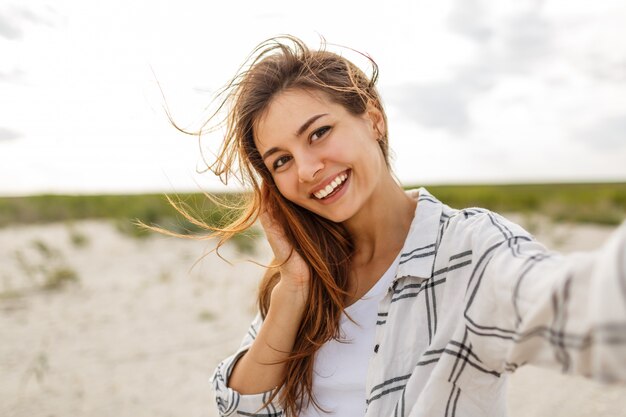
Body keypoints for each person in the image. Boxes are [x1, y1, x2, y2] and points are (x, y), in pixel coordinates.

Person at [196, 36, 626, 416]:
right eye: (282, 161)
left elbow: (595, 312)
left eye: (319, 132)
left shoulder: (470, 252)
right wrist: (293, 288)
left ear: (373, 117)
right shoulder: (307, 274)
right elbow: (240, 408)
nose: (307, 169)